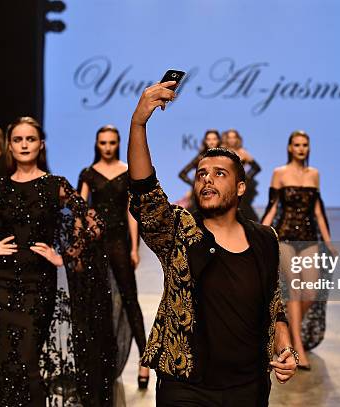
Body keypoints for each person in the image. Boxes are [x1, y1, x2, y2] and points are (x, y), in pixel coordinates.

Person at [127, 81, 297, 406]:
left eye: (220, 173)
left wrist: (285, 349)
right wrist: (138, 123)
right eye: (202, 173)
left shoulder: (264, 239)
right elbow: (144, 191)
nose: (207, 178)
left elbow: (274, 307)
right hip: (187, 386)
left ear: (241, 188)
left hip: (248, 387)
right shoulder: (180, 230)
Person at [0, 117, 116, 406]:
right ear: (10, 146)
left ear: (41, 144)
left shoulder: (56, 185)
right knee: (3, 363)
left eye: (30, 139)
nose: (24, 144)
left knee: (28, 364)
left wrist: (63, 256)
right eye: (18, 140)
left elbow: (96, 224)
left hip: (38, 285)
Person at [78, 124, 148, 388]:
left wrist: (134, 248)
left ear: (118, 144)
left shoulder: (126, 173)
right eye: (103, 143)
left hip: (119, 241)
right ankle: (102, 358)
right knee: (98, 300)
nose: (107, 147)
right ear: (97, 144)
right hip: (95, 244)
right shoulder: (87, 173)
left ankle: (145, 359)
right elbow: (81, 211)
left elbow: (132, 212)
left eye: (111, 142)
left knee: (130, 299)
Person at [261, 130, 336, 369]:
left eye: (305, 145)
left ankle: (286, 333)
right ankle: (298, 350)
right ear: (289, 148)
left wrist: (329, 242)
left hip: (308, 238)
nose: (301, 148)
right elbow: (272, 208)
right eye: (297, 144)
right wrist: (259, 235)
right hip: (284, 237)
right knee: (294, 287)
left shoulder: (314, 175)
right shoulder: (279, 173)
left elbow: (317, 212)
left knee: (311, 292)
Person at [221, 129, 261, 221]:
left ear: (237, 139)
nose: (231, 140)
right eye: (229, 137)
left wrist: (246, 177)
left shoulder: (243, 152)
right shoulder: (222, 151)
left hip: (238, 185)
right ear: (226, 139)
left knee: (240, 207)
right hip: (224, 184)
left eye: (234, 137)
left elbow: (256, 167)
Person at [176, 129, 221, 209]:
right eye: (209, 139)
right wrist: (195, 184)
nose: (211, 142)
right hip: (201, 194)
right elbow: (182, 174)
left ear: (218, 140)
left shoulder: (224, 157)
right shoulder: (200, 157)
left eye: (214, 139)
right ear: (205, 141)